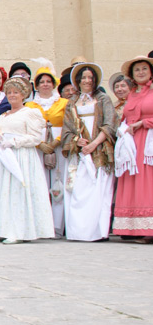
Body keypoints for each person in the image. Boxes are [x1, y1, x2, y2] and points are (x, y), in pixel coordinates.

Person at [0, 77, 54, 244]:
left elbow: (36, 138)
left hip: (21, 157)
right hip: (4, 158)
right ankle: (4, 228)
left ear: (23, 94)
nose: (12, 95)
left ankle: (20, 230)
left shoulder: (30, 113)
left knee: (19, 192)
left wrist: (15, 142)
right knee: (5, 193)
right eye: (9, 92)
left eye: (15, 92)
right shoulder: (3, 116)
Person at [61, 62, 115, 242]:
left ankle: (98, 232)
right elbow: (67, 129)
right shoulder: (72, 102)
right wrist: (78, 141)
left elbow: (110, 125)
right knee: (78, 191)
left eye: (90, 77)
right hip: (80, 152)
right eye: (83, 77)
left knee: (98, 193)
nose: (87, 81)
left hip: (99, 150)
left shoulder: (103, 99)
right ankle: (79, 232)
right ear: (78, 80)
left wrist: (94, 144)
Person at [112, 56, 153, 241]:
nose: (141, 72)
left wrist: (143, 123)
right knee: (132, 180)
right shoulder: (132, 94)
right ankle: (132, 226)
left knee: (147, 182)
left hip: (148, 140)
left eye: (144, 68)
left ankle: (149, 227)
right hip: (132, 142)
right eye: (137, 70)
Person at [26, 59, 68, 237]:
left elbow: (69, 124)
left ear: (54, 84)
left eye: (48, 81)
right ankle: (41, 225)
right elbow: (26, 127)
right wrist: (39, 143)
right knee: (40, 184)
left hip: (58, 146)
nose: (45, 84)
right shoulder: (30, 105)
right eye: (42, 82)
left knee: (58, 185)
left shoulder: (63, 103)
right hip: (39, 148)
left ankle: (58, 226)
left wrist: (57, 141)